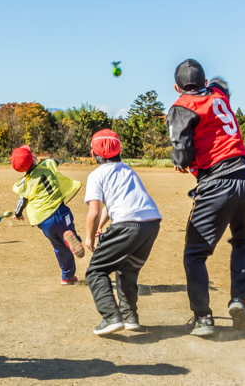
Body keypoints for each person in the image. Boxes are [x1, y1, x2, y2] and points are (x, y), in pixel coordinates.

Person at [165, 58, 245, 337]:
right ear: (205, 84)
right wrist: (216, 85)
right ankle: (239, 300)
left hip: (217, 182)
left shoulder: (182, 105)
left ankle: (203, 318)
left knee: (194, 254)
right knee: (243, 243)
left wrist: (179, 161)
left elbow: (182, 154)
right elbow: (222, 84)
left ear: (176, 87)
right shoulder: (218, 95)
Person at [82, 130, 162, 336]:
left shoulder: (96, 175)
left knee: (95, 271)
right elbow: (113, 205)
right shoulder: (128, 170)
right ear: (119, 150)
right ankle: (130, 318)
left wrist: (89, 236)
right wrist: (102, 225)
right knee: (127, 269)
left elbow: (94, 211)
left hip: (127, 225)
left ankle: (111, 317)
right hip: (151, 223)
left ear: (93, 154)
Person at [10, 145, 85, 285]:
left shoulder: (24, 184)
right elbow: (55, 161)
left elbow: (22, 201)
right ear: (32, 158)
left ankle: (67, 277)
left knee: (59, 248)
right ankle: (71, 239)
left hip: (43, 221)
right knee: (68, 231)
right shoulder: (48, 165)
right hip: (61, 212)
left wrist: (18, 214)